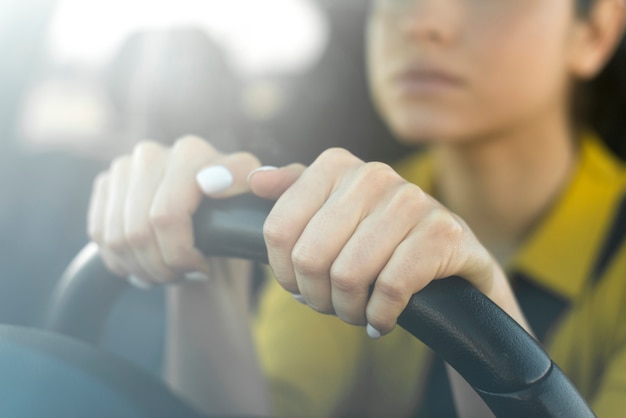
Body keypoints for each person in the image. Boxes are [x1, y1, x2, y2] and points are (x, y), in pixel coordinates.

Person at [87, 1, 626, 417]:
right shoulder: (349, 210)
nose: (421, 22)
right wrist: (202, 260)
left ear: (595, 30)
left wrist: (487, 318)